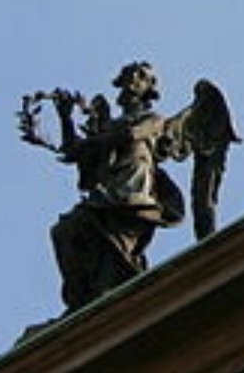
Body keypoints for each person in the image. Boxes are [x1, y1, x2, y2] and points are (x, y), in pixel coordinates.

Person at [49, 62, 186, 311]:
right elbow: (73, 151)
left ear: (148, 88)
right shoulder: (112, 125)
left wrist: (94, 140)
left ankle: (105, 300)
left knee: (113, 247)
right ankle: (81, 299)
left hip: (133, 193)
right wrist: (66, 118)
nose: (133, 80)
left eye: (141, 77)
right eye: (129, 76)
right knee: (65, 231)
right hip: (107, 192)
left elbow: (131, 135)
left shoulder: (154, 119)